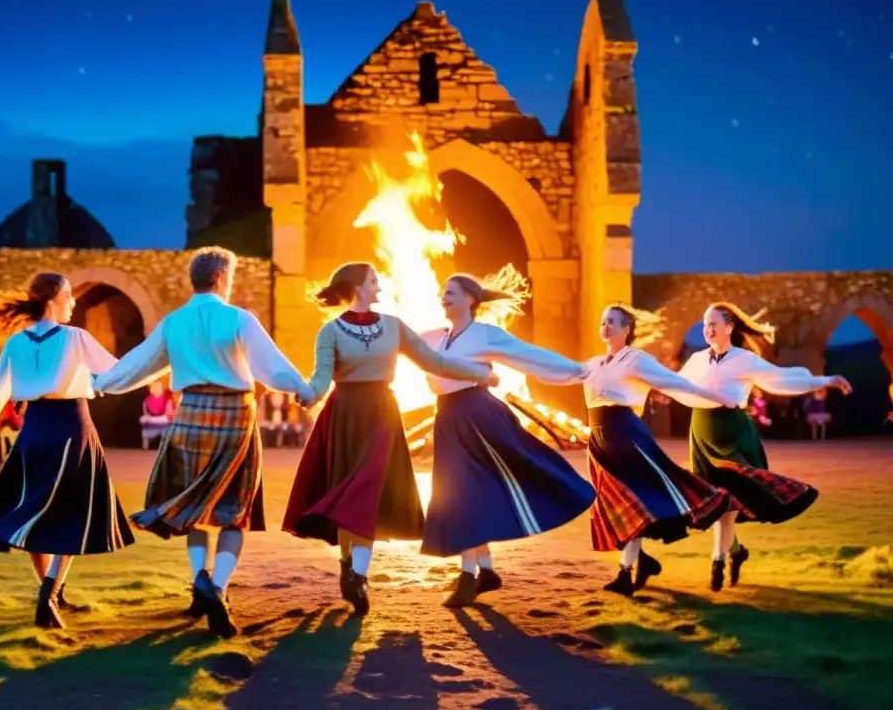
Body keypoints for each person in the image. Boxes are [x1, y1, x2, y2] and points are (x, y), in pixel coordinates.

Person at [93, 247, 315, 638]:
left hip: (191, 413)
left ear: (192, 280)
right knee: (235, 511)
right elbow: (271, 363)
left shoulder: (173, 322)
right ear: (224, 278)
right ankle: (218, 588)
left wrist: (100, 384)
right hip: (235, 416)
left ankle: (200, 580)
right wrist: (301, 388)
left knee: (195, 504)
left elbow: (139, 364)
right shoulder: (238, 319)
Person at [282, 262, 498, 615]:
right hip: (343, 416)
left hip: (382, 413)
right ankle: (349, 564)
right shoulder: (329, 332)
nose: (379, 288)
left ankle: (360, 577)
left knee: (368, 491)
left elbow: (435, 363)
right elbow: (321, 379)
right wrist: (308, 394)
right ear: (357, 288)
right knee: (347, 492)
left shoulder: (394, 327)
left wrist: (477, 373)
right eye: (373, 281)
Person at [0, 272, 134, 629]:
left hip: (35, 431)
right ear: (53, 301)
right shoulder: (76, 337)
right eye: (69, 295)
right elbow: (119, 373)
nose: (74, 302)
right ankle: (50, 591)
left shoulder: (17, 343)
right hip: (72, 427)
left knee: (35, 510)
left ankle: (49, 591)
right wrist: (166, 365)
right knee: (73, 511)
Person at [421, 273, 597, 608]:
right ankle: (486, 572)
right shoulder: (436, 337)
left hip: (477, 417)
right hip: (447, 420)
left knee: (464, 497)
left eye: (452, 292)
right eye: (443, 292)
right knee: (462, 495)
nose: (444, 297)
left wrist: (576, 369)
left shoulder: (485, 334)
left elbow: (528, 354)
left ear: (471, 300)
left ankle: (468, 578)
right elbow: (399, 343)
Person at [679, 302, 851, 591]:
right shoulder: (696, 360)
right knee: (714, 505)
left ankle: (717, 564)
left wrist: (825, 380)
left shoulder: (743, 359)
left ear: (729, 327)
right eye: (705, 324)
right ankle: (736, 552)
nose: (707, 330)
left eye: (714, 324)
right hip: (702, 436)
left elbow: (782, 379)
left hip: (732, 435)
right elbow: (672, 383)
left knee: (727, 503)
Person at [584, 304, 738, 596]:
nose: (606, 326)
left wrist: (713, 395)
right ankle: (643, 562)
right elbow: (559, 371)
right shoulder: (593, 364)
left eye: (613, 322)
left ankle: (625, 574)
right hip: (598, 440)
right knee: (611, 510)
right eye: (603, 321)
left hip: (625, 435)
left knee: (631, 502)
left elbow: (673, 382)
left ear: (627, 329)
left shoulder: (636, 360)